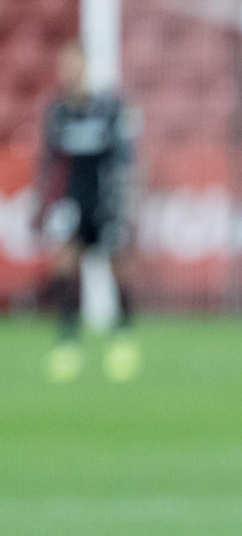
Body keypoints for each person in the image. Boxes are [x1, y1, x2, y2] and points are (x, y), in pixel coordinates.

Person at [32, 40, 141, 384]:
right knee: (65, 264)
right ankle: (68, 340)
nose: (69, 71)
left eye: (74, 64)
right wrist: (42, 204)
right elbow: (49, 162)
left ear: (84, 67)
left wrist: (126, 201)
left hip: (104, 200)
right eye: (64, 65)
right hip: (72, 200)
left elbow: (124, 158)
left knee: (118, 267)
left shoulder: (107, 108)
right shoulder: (57, 112)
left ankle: (123, 335)